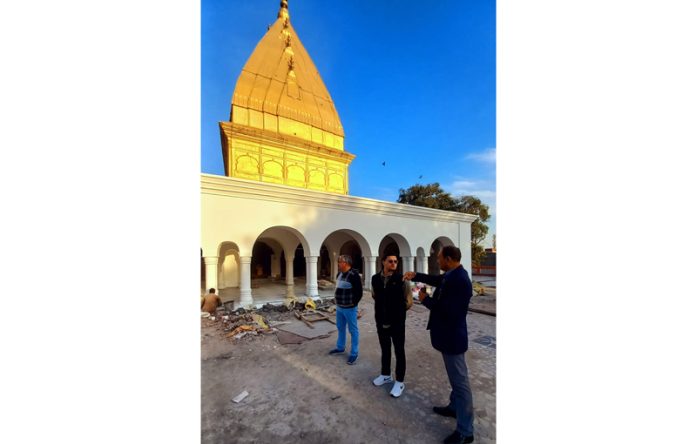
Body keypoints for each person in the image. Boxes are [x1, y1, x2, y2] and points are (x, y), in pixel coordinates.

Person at [403, 246, 475, 444]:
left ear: (449, 259)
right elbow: (436, 280)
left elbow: (449, 312)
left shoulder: (460, 281)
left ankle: (465, 431)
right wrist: (416, 275)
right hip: (447, 337)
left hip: (453, 338)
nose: (437, 261)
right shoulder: (452, 275)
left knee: (461, 384)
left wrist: (425, 299)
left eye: (440, 258)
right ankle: (454, 407)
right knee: (455, 378)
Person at [371, 254, 411, 398]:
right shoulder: (375, 279)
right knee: (385, 348)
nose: (393, 263)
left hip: (397, 322)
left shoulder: (402, 280)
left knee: (399, 351)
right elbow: (375, 295)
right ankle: (385, 374)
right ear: (383, 262)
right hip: (381, 320)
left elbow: (409, 301)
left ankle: (400, 381)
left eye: (395, 261)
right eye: (390, 261)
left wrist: (396, 312)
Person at [328, 255, 363, 365]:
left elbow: (359, 292)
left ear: (346, 263)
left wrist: (354, 304)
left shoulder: (354, 275)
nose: (338, 263)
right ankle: (340, 347)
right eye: (338, 261)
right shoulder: (339, 274)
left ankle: (354, 353)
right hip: (339, 307)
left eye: (340, 262)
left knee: (353, 330)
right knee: (340, 327)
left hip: (350, 308)